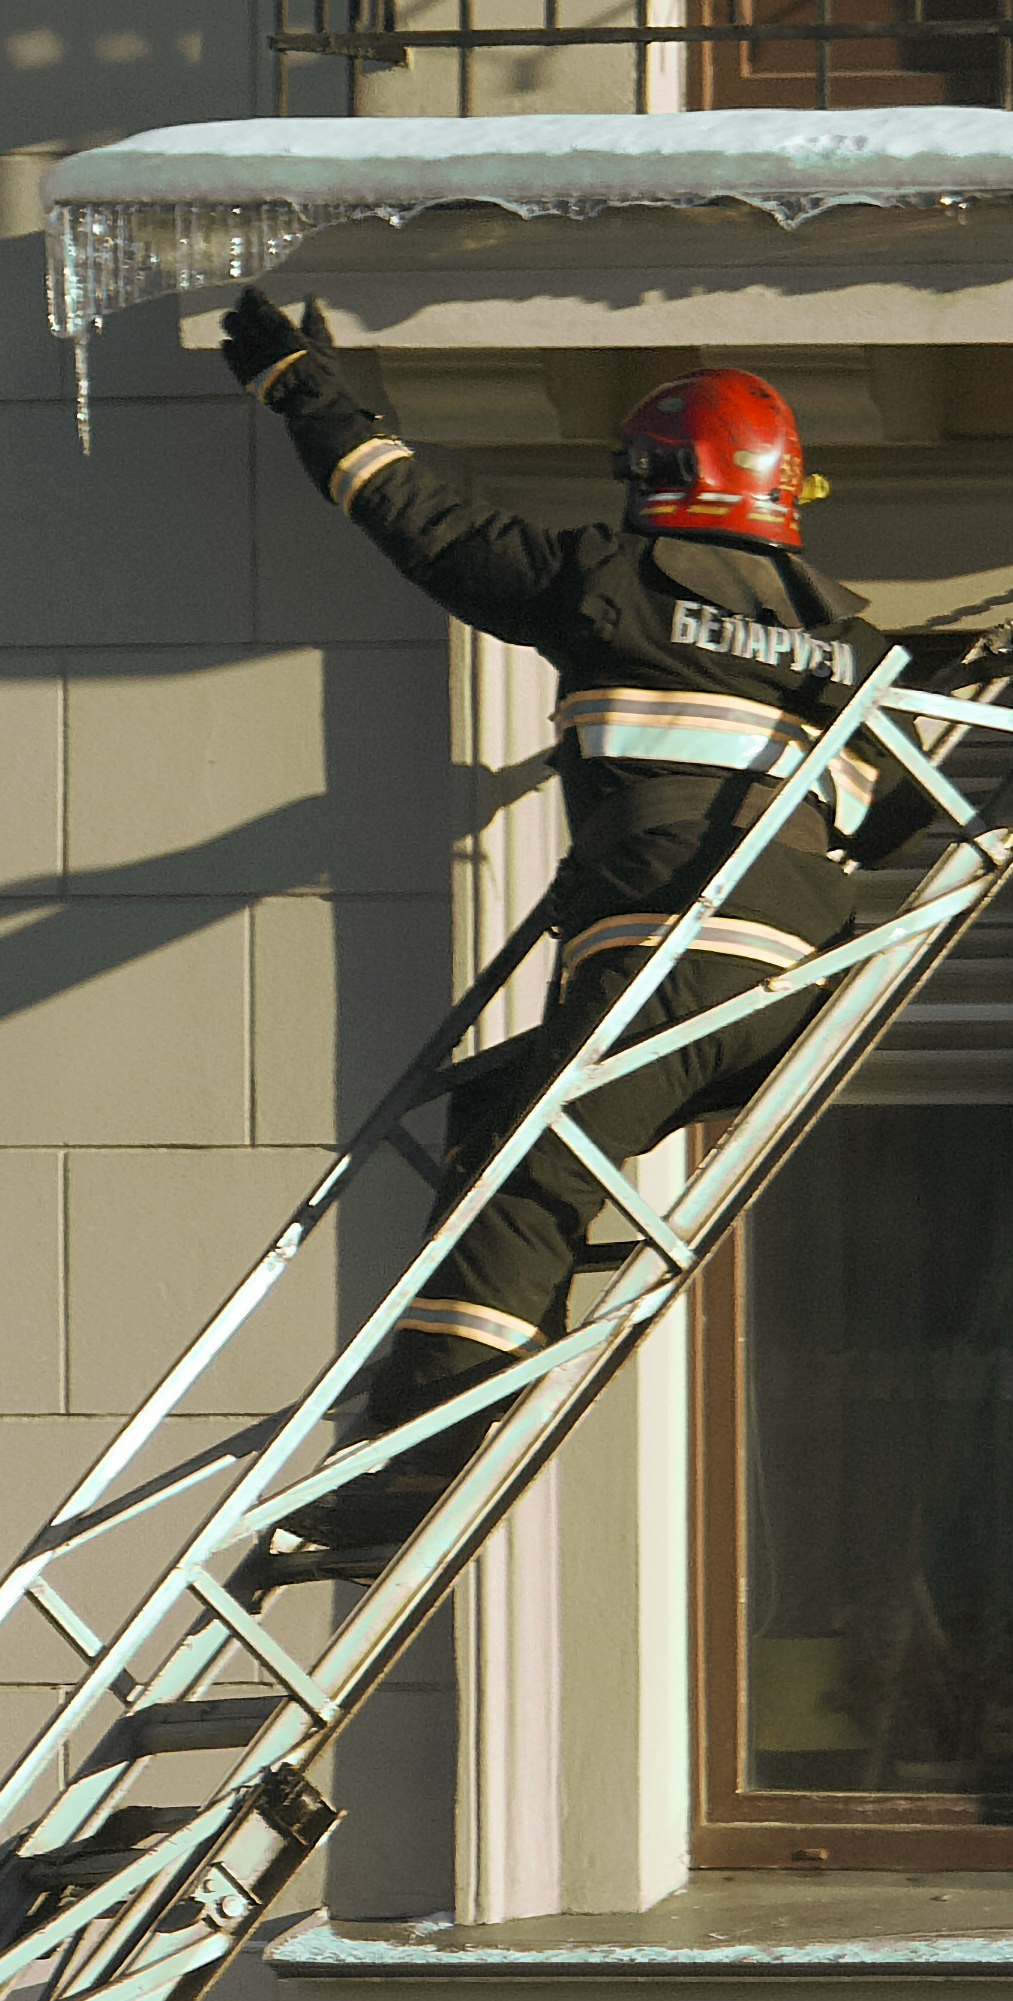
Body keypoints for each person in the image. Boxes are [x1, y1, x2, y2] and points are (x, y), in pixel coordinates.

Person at [215, 286, 888, 1561]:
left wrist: (294, 381)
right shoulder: (849, 642)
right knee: (495, 1111)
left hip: (666, 954)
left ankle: (423, 1460)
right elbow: (895, 807)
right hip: (796, 980)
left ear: (659, 477)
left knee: (531, 1173)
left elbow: (416, 517)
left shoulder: (607, 582)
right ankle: (448, 1409)